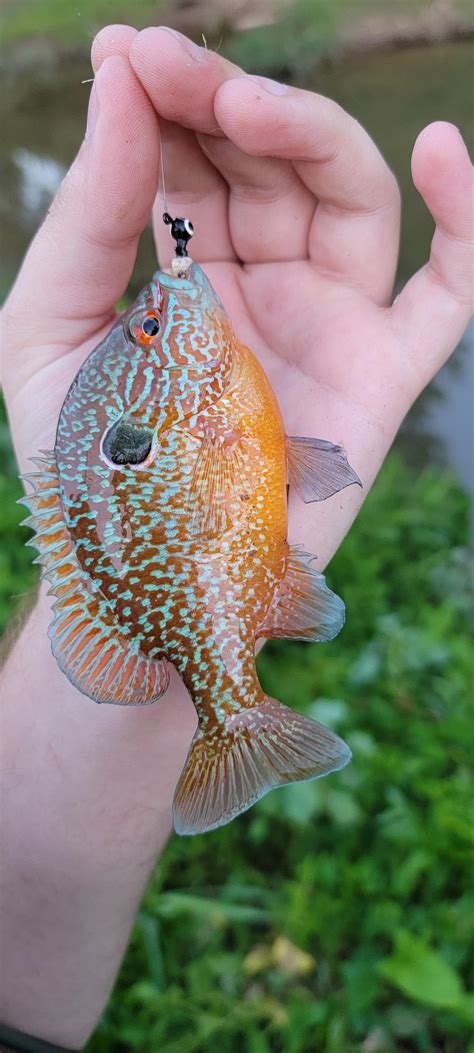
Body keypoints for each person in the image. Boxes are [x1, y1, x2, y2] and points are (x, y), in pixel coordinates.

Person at [0, 23, 472, 1053]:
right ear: (161, 382)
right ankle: (237, 717)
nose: (160, 308)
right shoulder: (201, 395)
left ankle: (235, 716)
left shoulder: (204, 394)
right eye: (149, 330)